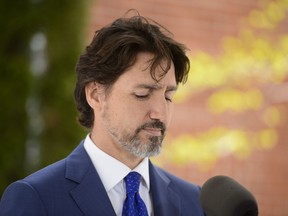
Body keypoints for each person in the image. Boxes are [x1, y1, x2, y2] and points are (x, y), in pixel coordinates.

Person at [0, 11, 205, 216]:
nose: (160, 113)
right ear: (96, 95)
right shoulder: (36, 197)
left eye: (168, 96)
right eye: (142, 94)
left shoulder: (195, 202)